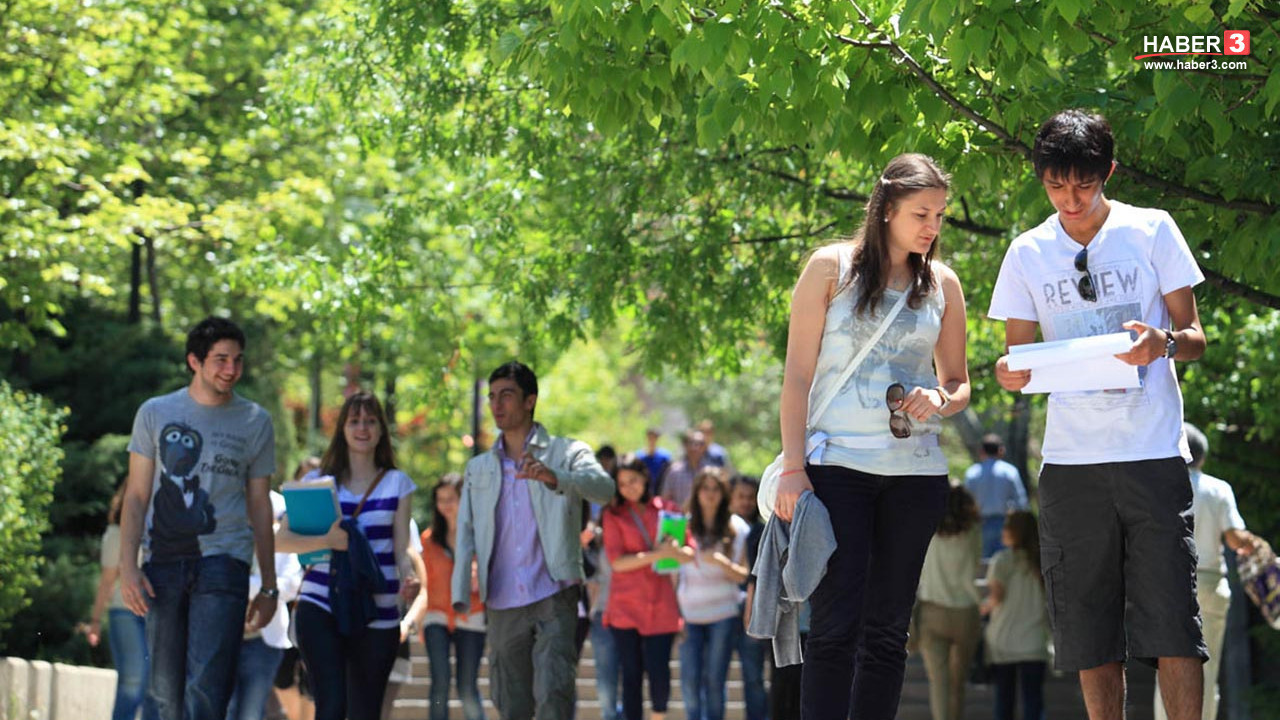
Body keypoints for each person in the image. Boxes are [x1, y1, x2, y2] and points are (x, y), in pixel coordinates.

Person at [990, 109, 1208, 720]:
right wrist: (1009, 373)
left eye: (1082, 184)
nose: (1070, 198)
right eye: (1056, 185)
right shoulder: (1026, 252)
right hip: (1070, 463)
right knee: (1087, 630)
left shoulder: (1153, 230)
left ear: (1107, 172)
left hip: (1153, 453)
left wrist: (1160, 343)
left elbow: (1193, 335)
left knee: (1171, 622)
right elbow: (1017, 360)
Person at [771, 152, 970, 720]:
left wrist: (941, 397)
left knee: (887, 632)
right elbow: (798, 378)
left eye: (939, 215)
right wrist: (792, 467)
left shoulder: (944, 284)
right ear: (886, 210)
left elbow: (959, 383)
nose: (932, 227)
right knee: (834, 626)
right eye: (920, 214)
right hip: (837, 471)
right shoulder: (829, 268)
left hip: (916, 476)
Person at [118, 316, 279, 720]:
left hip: (225, 562)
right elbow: (136, 497)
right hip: (163, 561)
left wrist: (270, 586)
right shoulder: (155, 413)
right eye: (221, 360)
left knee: (207, 683)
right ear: (195, 361)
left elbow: (260, 506)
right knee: (164, 689)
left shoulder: (256, 421)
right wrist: (127, 566)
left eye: (238, 360)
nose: (231, 370)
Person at [452, 361, 615, 720]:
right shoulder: (478, 467)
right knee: (512, 704)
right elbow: (465, 531)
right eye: (492, 396)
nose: (496, 404)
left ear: (530, 401)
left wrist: (557, 477)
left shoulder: (566, 451)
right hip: (501, 597)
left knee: (554, 695)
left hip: (554, 592)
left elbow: (605, 489)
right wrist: (461, 589)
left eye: (506, 395)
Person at [275, 391, 426, 720]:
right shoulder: (317, 482)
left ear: (382, 430)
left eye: (371, 421)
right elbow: (281, 540)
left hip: (379, 608)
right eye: (354, 421)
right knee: (331, 706)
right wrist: (326, 540)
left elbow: (402, 548)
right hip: (321, 601)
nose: (362, 428)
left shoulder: (397, 483)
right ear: (342, 428)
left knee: (366, 711)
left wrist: (409, 578)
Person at [1153, 423, 1269, 720]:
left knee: (1165, 670)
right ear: (1202, 456)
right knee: (1207, 667)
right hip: (1210, 584)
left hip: (1168, 585)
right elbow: (1235, 539)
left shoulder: (1159, 487)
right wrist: (1258, 545)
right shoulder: (1218, 489)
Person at [601, 454, 687, 720]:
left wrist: (675, 550)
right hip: (625, 608)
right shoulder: (613, 514)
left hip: (661, 606)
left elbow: (688, 553)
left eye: (634, 480)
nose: (629, 487)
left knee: (660, 672)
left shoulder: (668, 509)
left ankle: (658, 716)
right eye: (623, 483)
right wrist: (657, 555)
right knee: (630, 675)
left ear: (645, 478)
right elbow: (617, 562)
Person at [405, 474, 487, 720]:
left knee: (467, 687)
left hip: (471, 614)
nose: (446, 505)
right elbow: (425, 585)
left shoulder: (481, 536)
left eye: (451, 499)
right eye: (440, 500)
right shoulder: (428, 541)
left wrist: (480, 580)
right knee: (439, 683)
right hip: (436, 615)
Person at [677, 467, 751, 720]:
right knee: (689, 680)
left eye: (715, 488)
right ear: (696, 492)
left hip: (724, 614)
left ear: (723, 493)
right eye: (704, 488)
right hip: (689, 614)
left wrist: (720, 562)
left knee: (715, 682)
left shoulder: (737, 526)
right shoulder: (681, 525)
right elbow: (668, 571)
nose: (709, 494)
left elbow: (743, 574)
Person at [82, 482, 160, 720]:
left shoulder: (162, 531)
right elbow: (107, 581)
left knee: (154, 688)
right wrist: (95, 621)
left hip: (155, 613)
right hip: (125, 611)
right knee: (132, 681)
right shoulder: (116, 533)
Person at [227, 490, 304, 720]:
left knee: (251, 713)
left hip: (264, 641)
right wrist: (267, 588)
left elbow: (292, 584)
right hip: (224, 637)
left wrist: (251, 586)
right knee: (223, 709)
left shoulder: (281, 541)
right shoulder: (227, 537)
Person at [915, 485, 982, 720]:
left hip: (931, 610)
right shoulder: (972, 532)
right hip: (964, 611)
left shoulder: (927, 529)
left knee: (938, 683)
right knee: (958, 682)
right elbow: (971, 573)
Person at [981, 511, 1051, 720]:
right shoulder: (1042, 562)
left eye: (1006, 526)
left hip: (1004, 642)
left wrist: (981, 609)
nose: (1003, 531)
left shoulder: (1002, 560)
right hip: (1034, 642)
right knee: (1033, 702)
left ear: (1015, 531)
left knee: (1004, 701)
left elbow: (996, 597)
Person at [273, 457, 321, 720]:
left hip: (319, 606)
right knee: (281, 675)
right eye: (304, 478)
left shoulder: (333, 517)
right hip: (287, 609)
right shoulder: (283, 519)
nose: (309, 483)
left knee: (313, 679)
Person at [728, 476, 767, 720]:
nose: (745, 502)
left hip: (752, 609)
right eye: (740, 496)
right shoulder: (718, 527)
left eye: (750, 497)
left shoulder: (762, 531)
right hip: (719, 607)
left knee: (753, 675)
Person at [963, 434, 1028, 559]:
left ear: (981, 451)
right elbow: (1021, 502)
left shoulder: (972, 473)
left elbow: (966, 504)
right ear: (1001, 450)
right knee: (1005, 565)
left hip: (979, 525)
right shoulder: (1010, 472)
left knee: (982, 565)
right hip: (1005, 525)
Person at [657, 430, 709, 508]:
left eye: (699, 444)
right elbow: (665, 500)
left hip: (702, 520)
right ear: (685, 445)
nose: (695, 447)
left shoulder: (709, 472)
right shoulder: (674, 471)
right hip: (678, 518)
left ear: (704, 447)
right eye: (691, 443)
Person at [636, 428, 672, 495]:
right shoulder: (639, 456)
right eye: (650, 437)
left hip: (660, 488)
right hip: (643, 489)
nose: (652, 440)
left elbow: (668, 474)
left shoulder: (664, 456)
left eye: (654, 437)